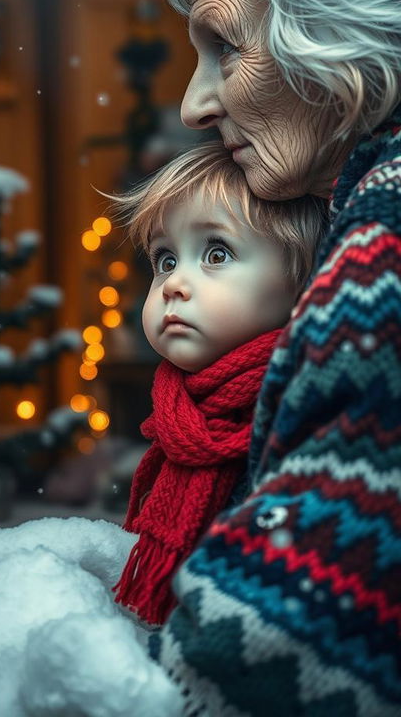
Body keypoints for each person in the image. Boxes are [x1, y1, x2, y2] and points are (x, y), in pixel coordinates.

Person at [149, 0, 401, 716]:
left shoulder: (383, 247)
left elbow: (276, 635)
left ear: (336, 37)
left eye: (226, 48)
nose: (194, 106)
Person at [109, 140, 328, 626]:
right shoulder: (180, 410)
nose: (174, 284)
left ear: (303, 281)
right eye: (165, 259)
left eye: (216, 252)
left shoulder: (303, 411)